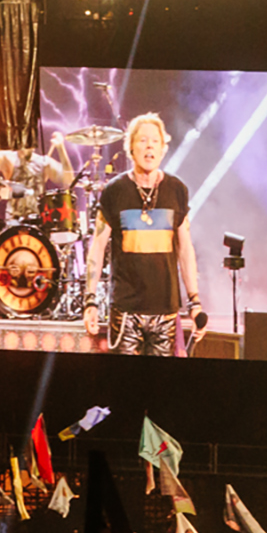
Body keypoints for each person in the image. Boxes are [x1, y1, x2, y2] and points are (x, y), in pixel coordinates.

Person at [82, 112, 203, 355]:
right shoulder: (114, 191)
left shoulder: (177, 190)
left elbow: (185, 250)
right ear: (131, 148)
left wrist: (195, 302)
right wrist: (90, 300)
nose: (149, 146)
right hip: (126, 312)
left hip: (165, 312)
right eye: (143, 140)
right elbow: (97, 246)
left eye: (155, 141)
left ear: (163, 149)